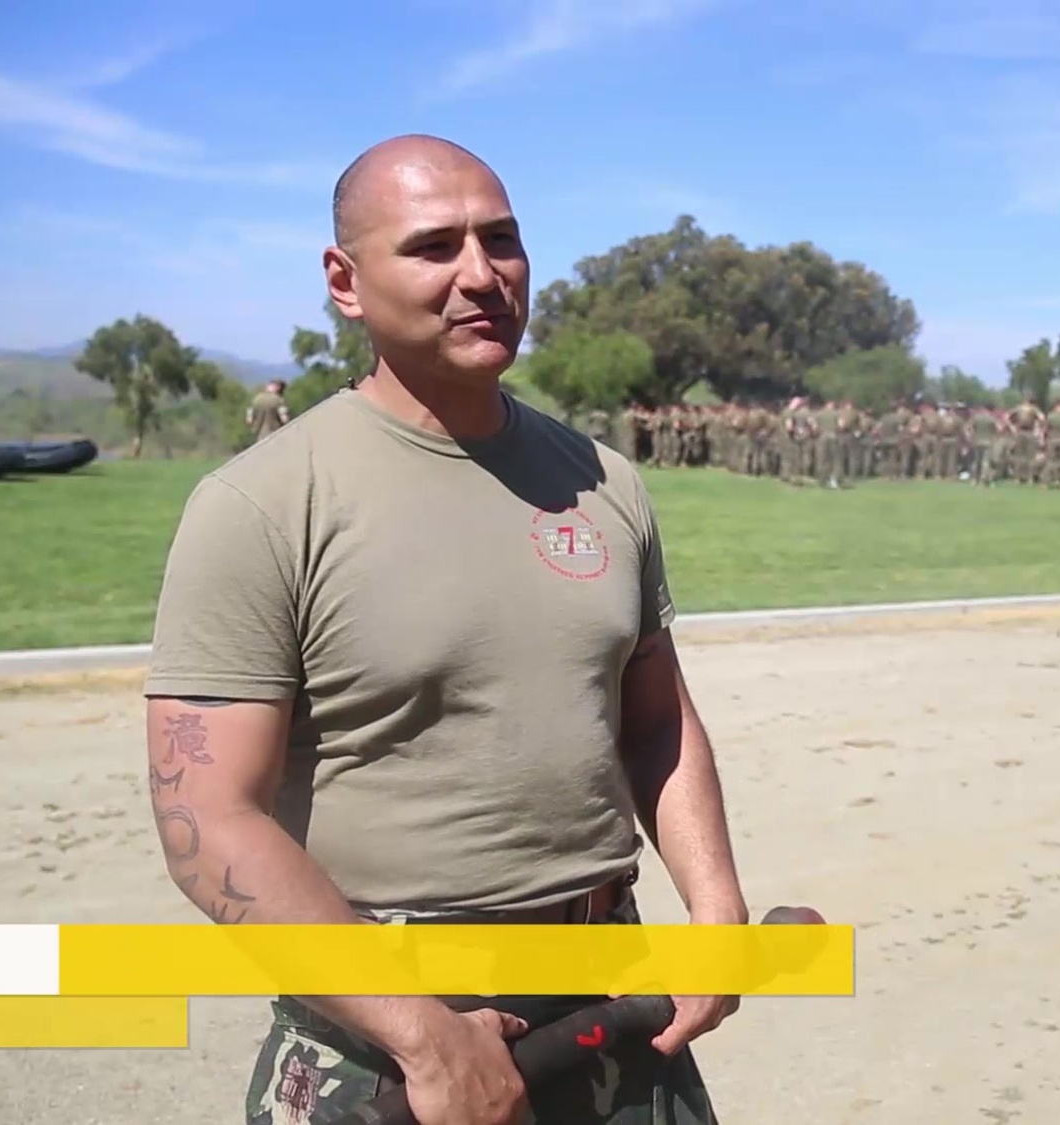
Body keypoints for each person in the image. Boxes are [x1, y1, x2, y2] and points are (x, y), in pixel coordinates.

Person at [140, 134, 746, 1125]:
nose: (481, 275)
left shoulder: (602, 483)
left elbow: (653, 722)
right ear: (345, 280)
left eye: (500, 240)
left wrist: (715, 910)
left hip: (613, 993)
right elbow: (206, 816)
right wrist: (422, 1034)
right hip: (388, 1030)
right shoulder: (261, 504)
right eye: (433, 248)